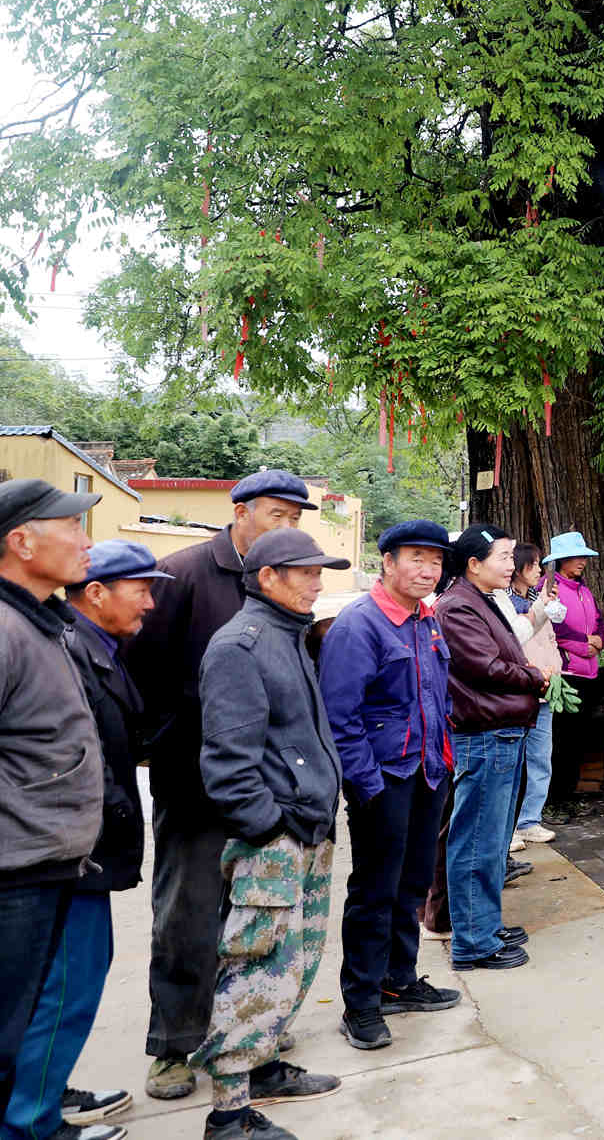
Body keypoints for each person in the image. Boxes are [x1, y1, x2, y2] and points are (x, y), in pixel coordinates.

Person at [123, 469, 311, 1101]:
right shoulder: (183, 574)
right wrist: (169, 743)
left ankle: (246, 1031)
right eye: (276, 514)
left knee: (258, 914)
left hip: (269, 783)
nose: (287, 526)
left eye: (295, 517)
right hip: (194, 778)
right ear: (240, 512)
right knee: (187, 912)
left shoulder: (285, 579)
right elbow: (139, 670)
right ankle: (174, 1044)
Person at [194, 529, 352, 1140]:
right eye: (306, 572)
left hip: (307, 829)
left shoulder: (287, 636)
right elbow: (228, 763)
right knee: (255, 967)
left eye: (319, 571)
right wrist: (270, 829)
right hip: (276, 841)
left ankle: (262, 1069)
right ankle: (228, 1115)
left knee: (294, 963)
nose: (318, 582)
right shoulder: (240, 646)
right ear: (267, 577)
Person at [4, 541, 165, 1140]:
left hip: (78, 849)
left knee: (56, 985)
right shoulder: (66, 648)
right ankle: (32, 1120)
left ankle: (43, 1089)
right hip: (70, 854)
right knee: (65, 988)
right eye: (140, 590)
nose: (150, 604)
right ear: (96, 594)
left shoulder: (95, 646)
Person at [317, 520, 461, 1053]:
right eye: (416, 559)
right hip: (383, 781)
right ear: (388, 562)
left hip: (428, 773)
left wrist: (445, 758)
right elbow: (340, 717)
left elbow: (437, 697)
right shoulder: (360, 625)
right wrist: (367, 786)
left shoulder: (426, 620)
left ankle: (399, 980)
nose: (428, 571)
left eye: (435, 561)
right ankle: (360, 1002)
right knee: (375, 892)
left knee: (412, 883)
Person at [0, 480, 103, 1122]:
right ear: (21, 541)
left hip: (45, 865)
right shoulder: (6, 628)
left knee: (16, 1034)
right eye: (71, 528)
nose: (85, 542)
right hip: (14, 875)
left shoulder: (43, 623)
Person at [436, 526, 553, 973]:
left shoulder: (482, 600)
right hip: (484, 734)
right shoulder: (458, 607)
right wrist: (534, 676)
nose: (511, 565)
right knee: (477, 843)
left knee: (494, 840)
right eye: (503, 557)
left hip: (501, 731)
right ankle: (473, 942)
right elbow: (485, 667)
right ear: (473, 563)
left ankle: (485, 925)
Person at [505, 543, 567, 847]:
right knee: (511, 763)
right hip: (518, 692)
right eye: (533, 565)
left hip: (546, 691)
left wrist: (556, 669)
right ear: (518, 568)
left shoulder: (539, 599)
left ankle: (530, 820)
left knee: (541, 759)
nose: (539, 571)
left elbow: (550, 639)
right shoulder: (504, 603)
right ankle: (508, 829)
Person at [543, 532, 604, 815]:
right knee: (562, 742)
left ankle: (568, 795)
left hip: (589, 674)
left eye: (584, 557)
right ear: (561, 560)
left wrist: (599, 640)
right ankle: (554, 801)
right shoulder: (549, 588)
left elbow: (598, 621)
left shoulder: (584, 590)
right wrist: (583, 645)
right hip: (566, 674)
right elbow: (553, 628)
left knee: (578, 740)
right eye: (576, 556)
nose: (582, 561)